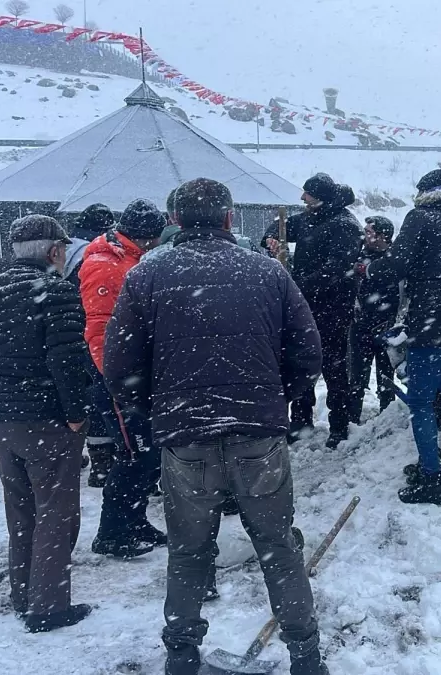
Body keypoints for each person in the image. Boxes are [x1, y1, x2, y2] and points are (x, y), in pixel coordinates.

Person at [103, 178, 327, 675]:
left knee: (187, 551)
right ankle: (307, 658)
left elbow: (119, 366)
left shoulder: (147, 275)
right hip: (258, 434)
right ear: (229, 219)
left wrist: (159, 411)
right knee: (279, 546)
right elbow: (308, 353)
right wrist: (271, 401)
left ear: (175, 220)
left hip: (186, 438)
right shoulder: (268, 272)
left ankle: (182, 656)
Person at [0, 215, 92, 633]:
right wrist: (76, 412)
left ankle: (22, 592)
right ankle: (47, 606)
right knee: (56, 512)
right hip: (48, 418)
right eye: (63, 249)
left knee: (21, 509)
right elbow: (66, 361)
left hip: (2, 420)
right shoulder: (57, 291)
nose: (65, 256)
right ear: (52, 252)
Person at [366, 169, 441, 508]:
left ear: (426, 192)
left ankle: (431, 478)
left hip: (432, 330)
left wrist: (368, 269)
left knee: (421, 404)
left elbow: (397, 264)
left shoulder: (421, 217)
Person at [80, 199, 168, 559]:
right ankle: (113, 532)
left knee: (147, 454)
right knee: (136, 455)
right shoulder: (106, 266)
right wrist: (115, 378)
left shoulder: (128, 259)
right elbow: (98, 328)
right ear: (144, 236)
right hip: (120, 380)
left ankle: (134, 520)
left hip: (133, 375)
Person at [262, 173, 362, 447]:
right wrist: (271, 237)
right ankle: (301, 421)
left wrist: (297, 285)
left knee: (334, 367)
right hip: (305, 307)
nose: (302, 198)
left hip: (333, 309)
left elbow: (336, 269)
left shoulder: (345, 226)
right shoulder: (309, 218)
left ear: (321, 197)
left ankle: (339, 425)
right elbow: (281, 225)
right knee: (301, 363)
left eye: (307, 194)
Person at [63, 203, 118, 487]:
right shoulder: (95, 255)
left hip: (65, 333)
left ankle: (89, 457)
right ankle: (103, 463)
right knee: (99, 395)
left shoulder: (64, 248)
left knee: (77, 394)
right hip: (90, 334)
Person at [348, 215, 400, 424]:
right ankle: (352, 419)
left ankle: (386, 419)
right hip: (360, 326)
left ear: (382, 236)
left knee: (386, 376)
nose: (365, 236)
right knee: (357, 376)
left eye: (369, 232)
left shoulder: (395, 260)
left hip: (388, 327)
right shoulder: (359, 256)